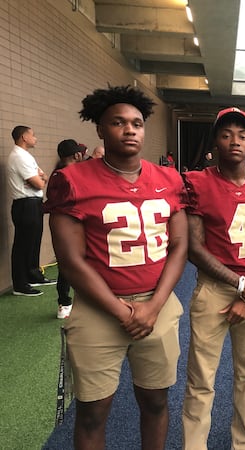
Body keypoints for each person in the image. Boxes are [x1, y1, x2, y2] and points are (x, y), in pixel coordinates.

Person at [45, 85, 188, 450]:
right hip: (98, 309)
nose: (129, 130)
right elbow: (72, 261)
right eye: (118, 123)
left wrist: (153, 307)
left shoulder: (170, 179)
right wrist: (123, 311)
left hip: (156, 306)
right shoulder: (72, 181)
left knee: (156, 402)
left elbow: (179, 245)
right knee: (93, 411)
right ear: (100, 129)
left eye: (137, 124)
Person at [182, 107, 245, 450]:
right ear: (215, 142)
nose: (234, 141)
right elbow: (194, 247)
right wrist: (241, 287)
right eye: (226, 134)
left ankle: (243, 442)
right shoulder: (197, 182)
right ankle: (194, 445)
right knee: (200, 378)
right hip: (215, 289)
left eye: (242, 135)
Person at [8, 125, 55, 296]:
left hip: (34, 203)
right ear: (24, 137)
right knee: (23, 244)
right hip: (25, 204)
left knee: (34, 241)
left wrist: (41, 178)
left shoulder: (26, 156)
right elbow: (39, 183)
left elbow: (44, 177)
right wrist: (40, 179)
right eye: (33, 135)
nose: (35, 138)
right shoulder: (19, 157)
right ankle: (20, 285)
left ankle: (33, 276)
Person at [52, 139, 88, 319]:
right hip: (71, 225)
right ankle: (65, 303)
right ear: (76, 155)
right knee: (69, 264)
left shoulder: (59, 173)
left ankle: (67, 302)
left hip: (66, 224)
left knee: (70, 264)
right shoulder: (68, 174)